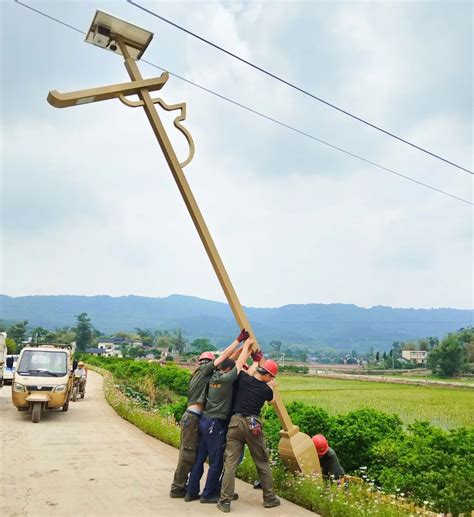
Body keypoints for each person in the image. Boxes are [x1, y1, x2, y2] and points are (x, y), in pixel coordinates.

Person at [169, 329, 249, 499]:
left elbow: (227, 361)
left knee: (196, 456)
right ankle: (178, 488)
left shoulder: (207, 375)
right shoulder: (204, 371)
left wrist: (244, 348)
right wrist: (239, 340)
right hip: (193, 418)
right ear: (206, 363)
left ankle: (189, 491)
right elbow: (225, 358)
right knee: (187, 455)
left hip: (200, 419)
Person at [217, 358, 280, 513]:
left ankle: (225, 501)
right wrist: (272, 387)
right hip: (253, 424)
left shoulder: (243, 378)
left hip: (235, 422)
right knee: (262, 461)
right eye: (271, 377)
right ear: (266, 375)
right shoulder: (266, 389)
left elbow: (247, 373)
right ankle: (269, 498)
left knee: (230, 462)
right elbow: (272, 401)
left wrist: (255, 363)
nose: (271, 379)